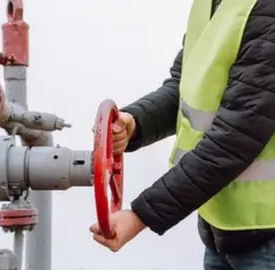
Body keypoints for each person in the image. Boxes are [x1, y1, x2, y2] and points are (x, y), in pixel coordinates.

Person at [89, 0, 275, 269]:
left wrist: (142, 216)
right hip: (223, 232)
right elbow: (184, 86)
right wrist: (136, 122)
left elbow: (235, 139)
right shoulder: (212, 5)